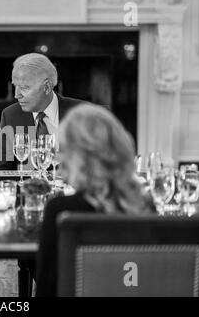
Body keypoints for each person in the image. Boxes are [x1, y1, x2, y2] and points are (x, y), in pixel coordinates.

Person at [35, 103, 155, 296]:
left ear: (76, 157)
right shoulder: (145, 204)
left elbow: (47, 289)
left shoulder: (61, 210)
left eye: (63, 149)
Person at [0, 53, 84, 170]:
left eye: (24, 88)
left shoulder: (82, 113)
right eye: (15, 86)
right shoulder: (10, 115)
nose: (17, 95)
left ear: (47, 87)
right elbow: (1, 170)